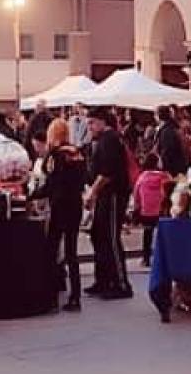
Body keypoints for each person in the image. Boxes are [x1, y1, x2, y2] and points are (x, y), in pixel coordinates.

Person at [86, 112, 133, 300]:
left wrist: (92, 192)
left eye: (92, 123)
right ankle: (103, 279)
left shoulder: (110, 139)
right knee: (98, 235)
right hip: (105, 194)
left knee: (111, 237)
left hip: (113, 193)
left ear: (102, 122)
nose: (89, 127)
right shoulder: (103, 140)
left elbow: (107, 172)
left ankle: (121, 284)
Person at [41, 118, 86, 311]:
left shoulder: (55, 155)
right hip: (75, 204)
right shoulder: (77, 153)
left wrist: (31, 195)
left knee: (51, 250)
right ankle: (75, 296)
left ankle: (50, 296)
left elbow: (51, 183)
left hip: (59, 206)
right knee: (71, 251)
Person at [132, 151, 171, 266]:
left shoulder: (142, 177)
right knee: (163, 235)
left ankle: (146, 259)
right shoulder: (165, 177)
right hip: (161, 210)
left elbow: (136, 193)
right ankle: (164, 260)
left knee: (147, 234)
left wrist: (137, 206)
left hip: (146, 211)